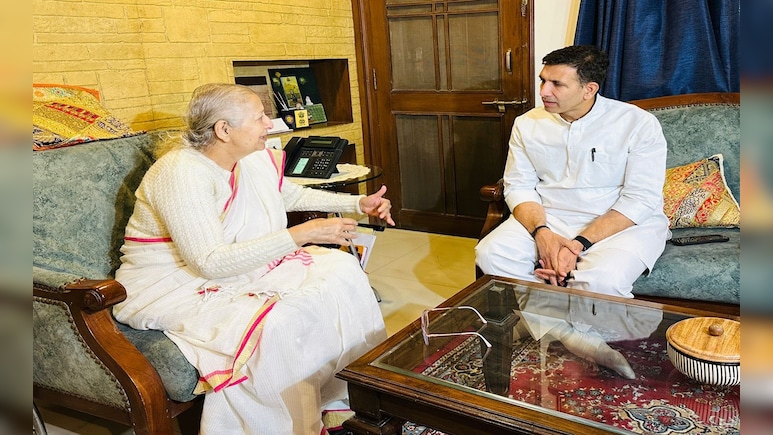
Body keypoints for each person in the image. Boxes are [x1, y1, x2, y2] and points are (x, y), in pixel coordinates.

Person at [112, 83, 394, 435]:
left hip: (231, 268)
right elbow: (209, 263)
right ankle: (285, 425)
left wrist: (357, 204)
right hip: (175, 284)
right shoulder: (181, 173)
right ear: (223, 130)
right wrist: (302, 234)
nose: (269, 124)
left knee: (342, 270)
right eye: (259, 117)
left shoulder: (248, 158)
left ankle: (340, 399)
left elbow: (286, 195)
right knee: (281, 321)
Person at [475, 45, 669, 379]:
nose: (543, 91)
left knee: (603, 279)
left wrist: (577, 244)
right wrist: (543, 234)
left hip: (620, 221)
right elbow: (518, 186)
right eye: (543, 80)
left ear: (589, 89)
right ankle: (572, 336)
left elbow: (640, 198)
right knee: (492, 253)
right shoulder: (527, 123)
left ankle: (547, 326)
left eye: (556, 84)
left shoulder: (637, 123)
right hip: (549, 215)